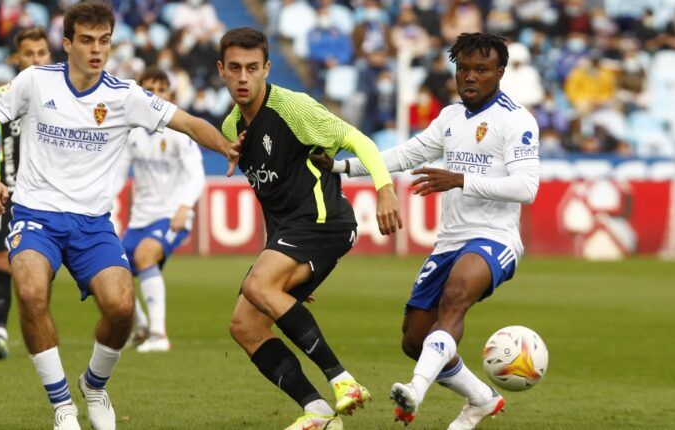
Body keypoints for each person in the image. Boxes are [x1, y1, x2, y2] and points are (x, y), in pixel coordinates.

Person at [0, 2, 238, 430]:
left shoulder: (124, 95)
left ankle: (94, 386)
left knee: (122, 308)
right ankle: (62, 407)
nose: (97, 50)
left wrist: (227, 147)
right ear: (68, 43)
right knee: (32, 291)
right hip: (37, 214)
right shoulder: (35, 82)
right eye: (87, 40)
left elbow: (186, 122)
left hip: (93, 224)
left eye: (105, 41)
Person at [315, 33, 541, 429]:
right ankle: (481, 398)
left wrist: (460, 179)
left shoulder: (517, 120)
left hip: (495, 237)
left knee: (455, 299)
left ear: (500, 73)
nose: (470, 77)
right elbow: (407, 154)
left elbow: (526, 187)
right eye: (464, 69)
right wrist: (342, 168)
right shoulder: (451, 116)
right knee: (415, 340)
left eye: (481, 70)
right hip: (450, 240)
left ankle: (415, 390)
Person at [217, 28, 402, 430]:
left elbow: (359, 140)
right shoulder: (232, 129)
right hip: (295, 231)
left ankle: (343, 380)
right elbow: (269, 196)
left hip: (325, 220)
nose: (243, 77)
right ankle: (318, 412)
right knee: (244, 326)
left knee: (257, 286)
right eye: (235, 68)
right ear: (222, 71)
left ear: (267, 68)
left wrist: (384, 189)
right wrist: (281, 261)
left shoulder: (293, 108)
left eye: (252, 68)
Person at [118, 66, 206, 353]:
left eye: (161, 89)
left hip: (171, 215)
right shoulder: (131, 132)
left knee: (144, 255)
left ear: (169, 94)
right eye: (149, 90)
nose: (155, 96)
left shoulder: (180, 132)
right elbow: (117, 175)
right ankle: (141, 325)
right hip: (139, 218)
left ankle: (158, 335)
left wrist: (184, 207)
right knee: (107, 272)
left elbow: (196, 175)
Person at [0, 26, 52, 361]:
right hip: (8, 190)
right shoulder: (2, 92)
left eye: (41, 53)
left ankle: (36, 328)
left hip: (46, 194)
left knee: (39, 268)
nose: (35, 59)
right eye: (29, 54)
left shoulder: (59, 94)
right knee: (1, 262)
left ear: (50, 55)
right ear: (16, 58)